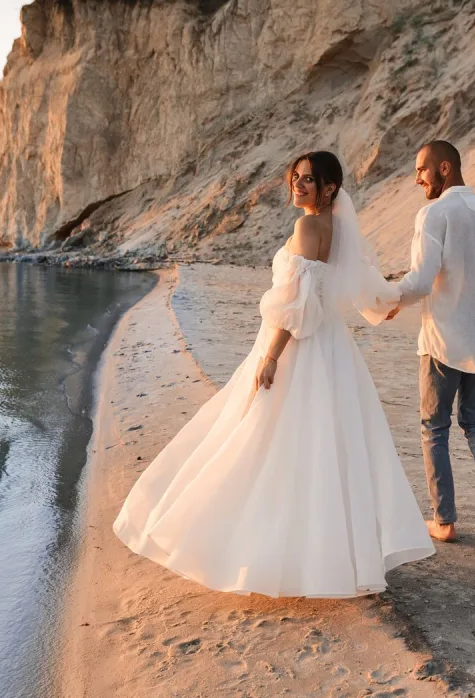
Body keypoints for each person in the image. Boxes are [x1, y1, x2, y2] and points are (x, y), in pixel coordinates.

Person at [113, 151, 434, 597]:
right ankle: (329, 559)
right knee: (326, 449)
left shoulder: (307, 228)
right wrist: (389, 303)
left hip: (297, 345)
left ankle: (249, 549)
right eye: (295, 177)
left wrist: (271, 356)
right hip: (334, 348)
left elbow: (299, 303)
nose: (298, 185)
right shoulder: (342, 231)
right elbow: (364, 283)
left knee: (261, 439)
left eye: (309, 180)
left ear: (330, 188)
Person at [387, 140, 475, 548]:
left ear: (444, 168)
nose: (417, 179)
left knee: (435, 427)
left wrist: (390, 301)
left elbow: (421, 279)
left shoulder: (434, 214)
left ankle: (444, 520)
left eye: (422, 169)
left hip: (443, 340)